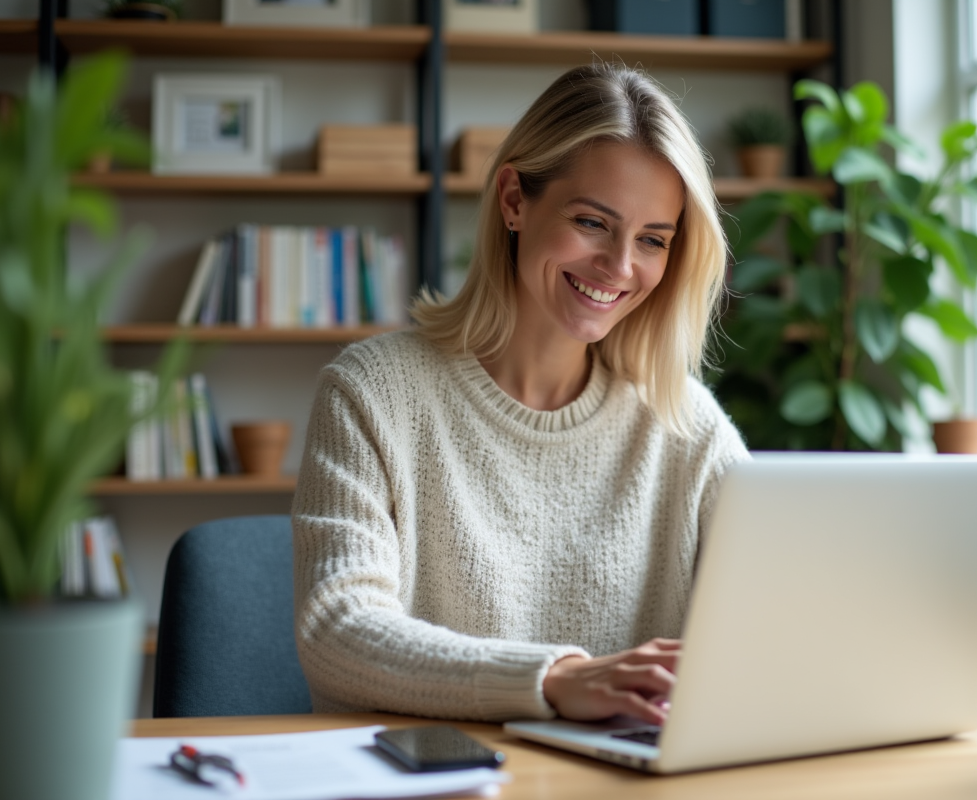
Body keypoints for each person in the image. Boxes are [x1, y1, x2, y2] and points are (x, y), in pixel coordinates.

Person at [291, 62, 749, 725]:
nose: (620, 267)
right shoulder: (373, 393)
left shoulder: (685, 423)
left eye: (653, 240)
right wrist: (555, 679)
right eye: (593, 222)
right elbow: (338, 631)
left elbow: (780, 618)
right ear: (513, 200)